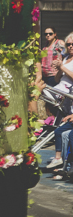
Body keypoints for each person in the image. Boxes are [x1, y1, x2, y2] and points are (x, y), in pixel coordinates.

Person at [44, 33, 73, 172]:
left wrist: (62, 67)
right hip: (58, 88)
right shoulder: (66, 57)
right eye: (68, 44)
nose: (71, 46)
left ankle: (61, 159)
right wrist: (58, 69)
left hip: (66, 93)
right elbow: (57, 80)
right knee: (37, 90)